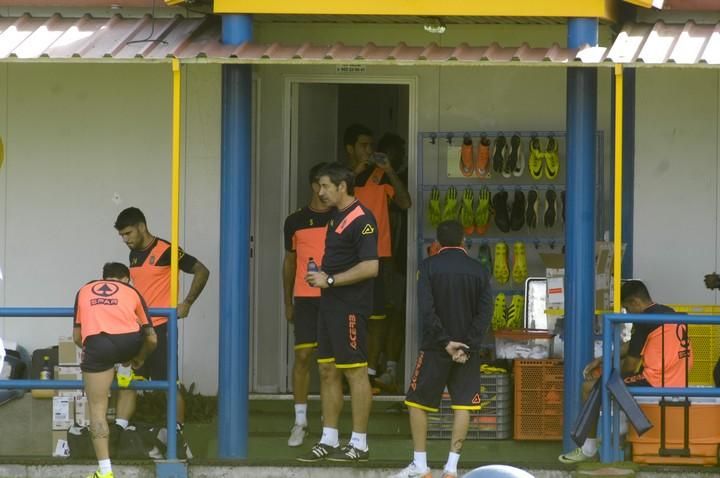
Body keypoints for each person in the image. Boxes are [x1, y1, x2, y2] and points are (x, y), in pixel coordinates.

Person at [390, 220, 492, 478]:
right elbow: (485, 313)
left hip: (436, 348)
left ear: (437, 244)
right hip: (466, 351)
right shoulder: (479, 270)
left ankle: (421, 466)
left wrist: (446, 342)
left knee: (416, 402)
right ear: (463, 241)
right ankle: (451, 469)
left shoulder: (428, 267)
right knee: (463, 407)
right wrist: (467, 345)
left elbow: (426, 311)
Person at [297, 162, 379, 463]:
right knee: (327, 370)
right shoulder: (335, 217)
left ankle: (359, 444)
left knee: (355, 371)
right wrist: (323, 275)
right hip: (329, 305)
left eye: (325, 186)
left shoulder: (362, 219)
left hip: (350, 308)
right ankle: (329, 439)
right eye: (319, 186)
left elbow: (372, 267)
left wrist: (330, 279)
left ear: (342, 186)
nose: (320, 192)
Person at [558, 280, 692, 463]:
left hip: (658, 381)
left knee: (591, 387)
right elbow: (633, 346)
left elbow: (630, 365)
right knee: (611, 382)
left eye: (628, 308)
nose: (628, 314)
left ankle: (590, 448)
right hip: (679, 379)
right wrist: (603, 359)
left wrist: (605, 374)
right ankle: (620, 429)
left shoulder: (644, 321)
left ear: (636, 302)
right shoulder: (667, 312)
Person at [113, 207, 210, 458]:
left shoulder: (166, 250)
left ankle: (177, 437)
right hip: (137, 328)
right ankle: (117, 433)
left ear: (142, 227)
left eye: (128, 233)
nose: (126, 239)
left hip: (161, 327)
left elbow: (202, 270)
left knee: (169, 384)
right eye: (122, 235)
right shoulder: (134, 253)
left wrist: (187, 302)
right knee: (128, 381)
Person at [73, 262, 157, 478]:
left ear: (103, 278)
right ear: (126, 279)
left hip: (97, 344)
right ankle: (127, 368)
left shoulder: (84, 290)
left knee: (98, 409)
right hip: (129, 343)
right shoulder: (132, 291)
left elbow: (77, 337)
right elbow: (152, 339)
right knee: (132, 341)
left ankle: (105, 472)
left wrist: (96, 355)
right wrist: (139, 358)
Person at [343, 124, 411, 388]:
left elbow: (405, 203)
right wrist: (354, 173)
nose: (369, 150)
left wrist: (390, 170)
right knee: (348, 318)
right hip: (345, 258)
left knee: (378, 317)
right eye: (363, 145)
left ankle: (370, 373)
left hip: (378, 258)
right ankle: (348, 373)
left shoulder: (381, 175)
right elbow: (325, 203)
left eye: (372, 145)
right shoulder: (339, 176)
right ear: (350, 148)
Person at [282, 162, 333, 447]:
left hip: (335, 298)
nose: (325, 191)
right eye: (322, 185)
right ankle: (300, 421)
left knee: (331, 365)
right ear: (314, 186)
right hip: (304, 300)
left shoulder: (343, 217)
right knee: (303, 358)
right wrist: (286, 301)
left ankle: (329, 424)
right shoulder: (295, 220)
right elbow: (289, 263)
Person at [375, 133, 409, 390]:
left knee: (394, 313)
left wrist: (390, 171)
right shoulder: (365, 180)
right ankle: (371, 369)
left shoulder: (397, 179)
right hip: (369, 257)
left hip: (394, 256)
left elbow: (405, 202)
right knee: (373, 316)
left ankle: (390, 370)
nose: (398, 157)